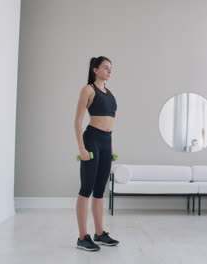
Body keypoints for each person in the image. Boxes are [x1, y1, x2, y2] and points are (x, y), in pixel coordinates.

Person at [74, 56, 119, 251]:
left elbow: (110, 123)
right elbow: (77, 121)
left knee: (100, 190)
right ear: (95, 69)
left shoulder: (109, 93)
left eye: (111, 68)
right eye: (105, 68)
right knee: (87, 188)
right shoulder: (88, 90)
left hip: (106, 142)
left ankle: (99, 233)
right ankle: (82, 237)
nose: (109, 71)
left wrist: (111, 148)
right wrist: (82, 148)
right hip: (92, 140)